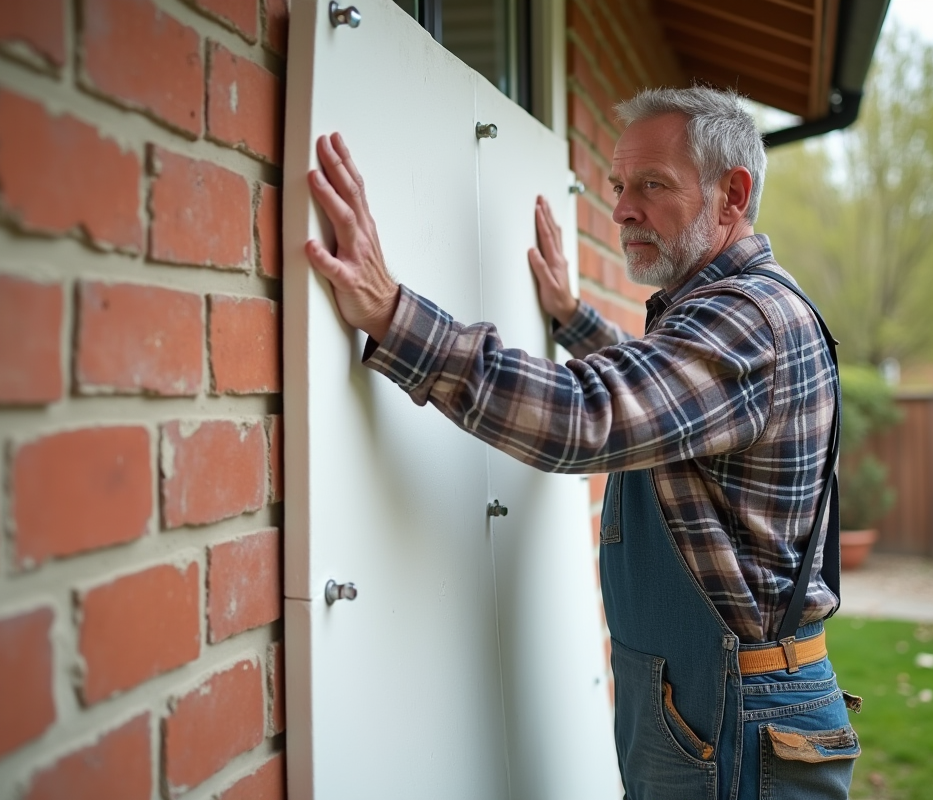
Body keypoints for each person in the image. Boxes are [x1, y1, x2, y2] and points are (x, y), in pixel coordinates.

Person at [305, 86, 860, 799]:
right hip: (726, 702)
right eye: (620, 186)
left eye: (652, 186)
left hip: (738, 720)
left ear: (733, 192)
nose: (623, 209)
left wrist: (391, 313)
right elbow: (670, 405)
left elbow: (587, 417)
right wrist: (571, 317)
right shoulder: (743, 306)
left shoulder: (746, 317)